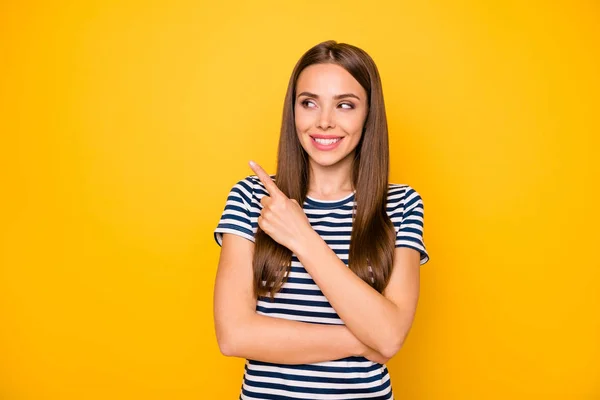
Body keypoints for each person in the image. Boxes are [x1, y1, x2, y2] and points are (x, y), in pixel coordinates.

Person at [212, 40, 430, 400]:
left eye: (345, 105)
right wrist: (364, 339)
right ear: (293, 111)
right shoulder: (253, 198)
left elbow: (390, 337)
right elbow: (234, 335)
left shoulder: (401, 204)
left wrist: (302, 237)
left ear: (368, 115)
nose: (324, 121)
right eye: (309, 103)